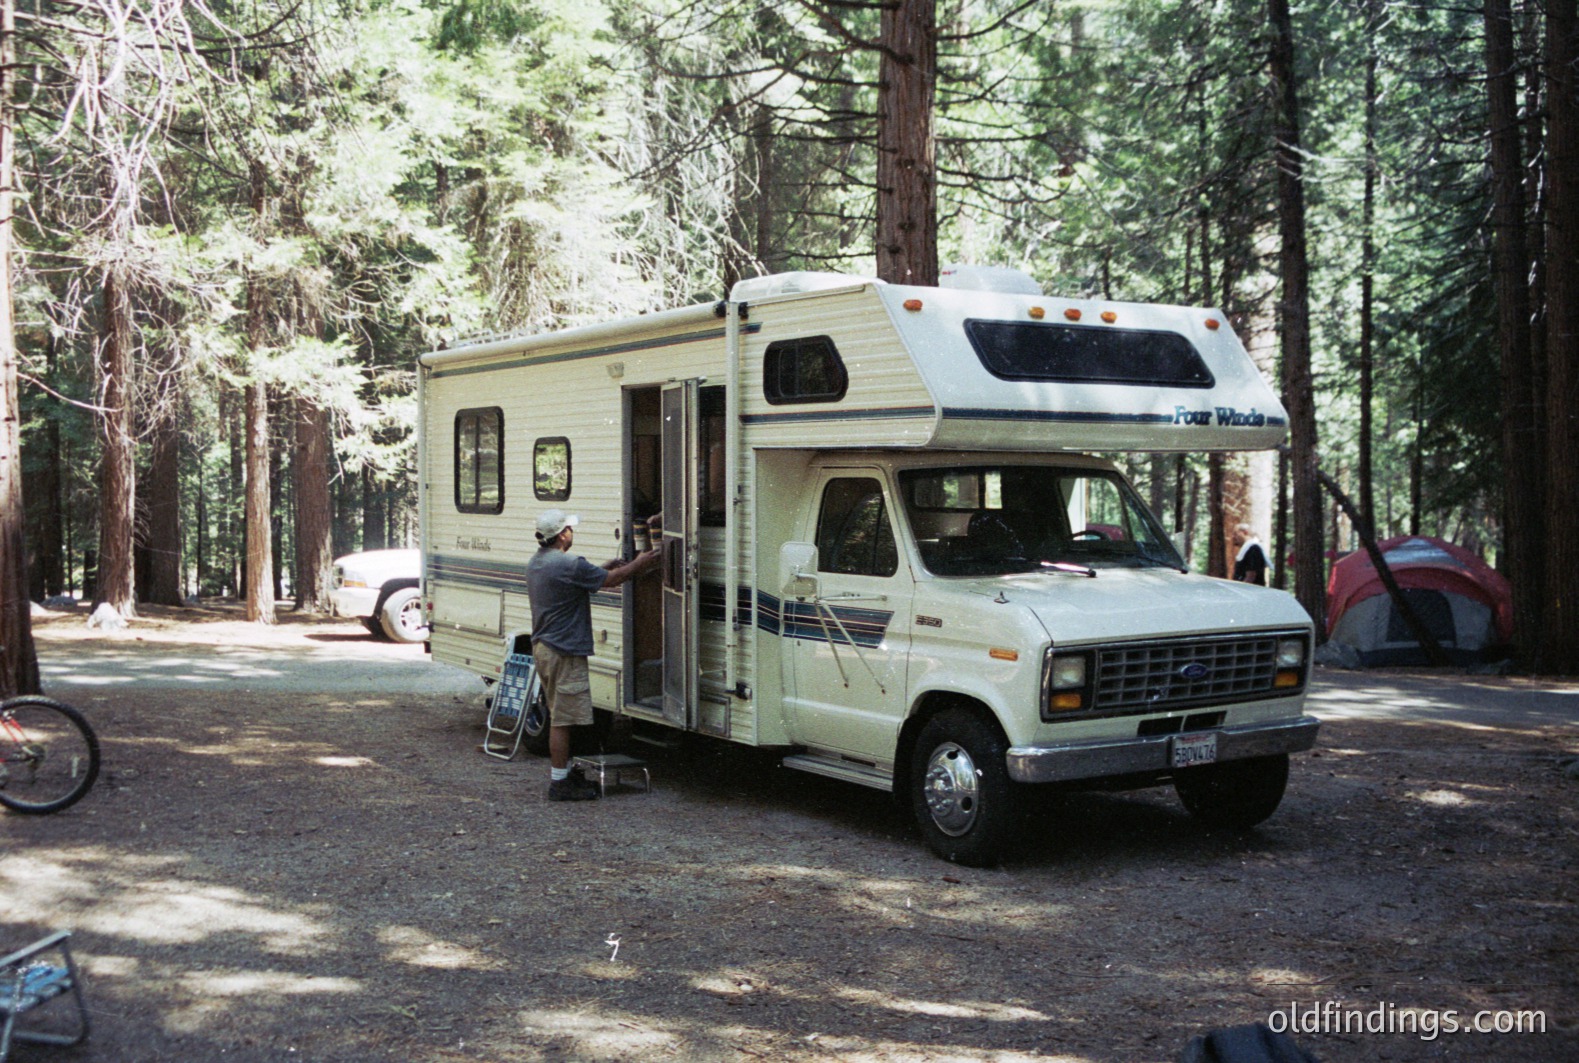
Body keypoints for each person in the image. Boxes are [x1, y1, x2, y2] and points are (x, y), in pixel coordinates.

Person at [527, 508, 662, 801]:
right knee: (563, 720)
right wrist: (641, 562)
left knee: (562, 715)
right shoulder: (570, 563)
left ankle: (565, 775)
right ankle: (559, 783)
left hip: (545, 648)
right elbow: (610, 581)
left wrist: (607, 567)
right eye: (570, 529)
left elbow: (587, 580)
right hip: (564, 651)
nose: (572, 532)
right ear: (562, 534)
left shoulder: (538, 563)